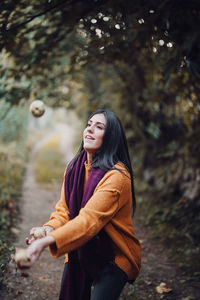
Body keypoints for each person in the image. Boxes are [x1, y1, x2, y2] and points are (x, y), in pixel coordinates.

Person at [17, 109, 141, 300]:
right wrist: (48, 229)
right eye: (88, 125)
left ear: (110, 137)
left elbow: (89, 221)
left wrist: (45, 243)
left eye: (99, 127)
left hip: (115, 255)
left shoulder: (117, 177)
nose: (90, 130)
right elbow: (64, 212)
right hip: (82, 250)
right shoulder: (74, 167)